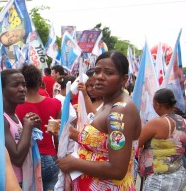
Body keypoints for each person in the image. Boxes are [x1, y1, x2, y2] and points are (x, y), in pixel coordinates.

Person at [56, 51, 142, 190]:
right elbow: (101, 143)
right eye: (97, 71)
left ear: (124, 79)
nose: (100, 77)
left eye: (109, 73)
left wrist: (74, 163)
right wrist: (72, 133)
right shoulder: (108, 105)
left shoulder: (120, 111)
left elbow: (117, 170)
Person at [16, 64, 62, 191]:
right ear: (40, 82)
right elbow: (58, 135)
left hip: (26, 159)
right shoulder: (55, 103)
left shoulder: (15, 107)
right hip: (51, 158)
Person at [138, 88, 186, 191]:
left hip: (159, 179)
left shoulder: (157, 123)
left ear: (158, 104)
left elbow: (136, 143)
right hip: (178, 175)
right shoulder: (183, 121)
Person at [1, 69, 41, 186]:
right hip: (11, 183)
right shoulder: (1, 118)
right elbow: (17, 158)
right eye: (15, 85)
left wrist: (33, 126)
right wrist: (27, 126)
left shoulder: (13, 115)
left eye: (24, 85)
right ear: (2, 90)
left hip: (21, 180)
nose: (22, 89)